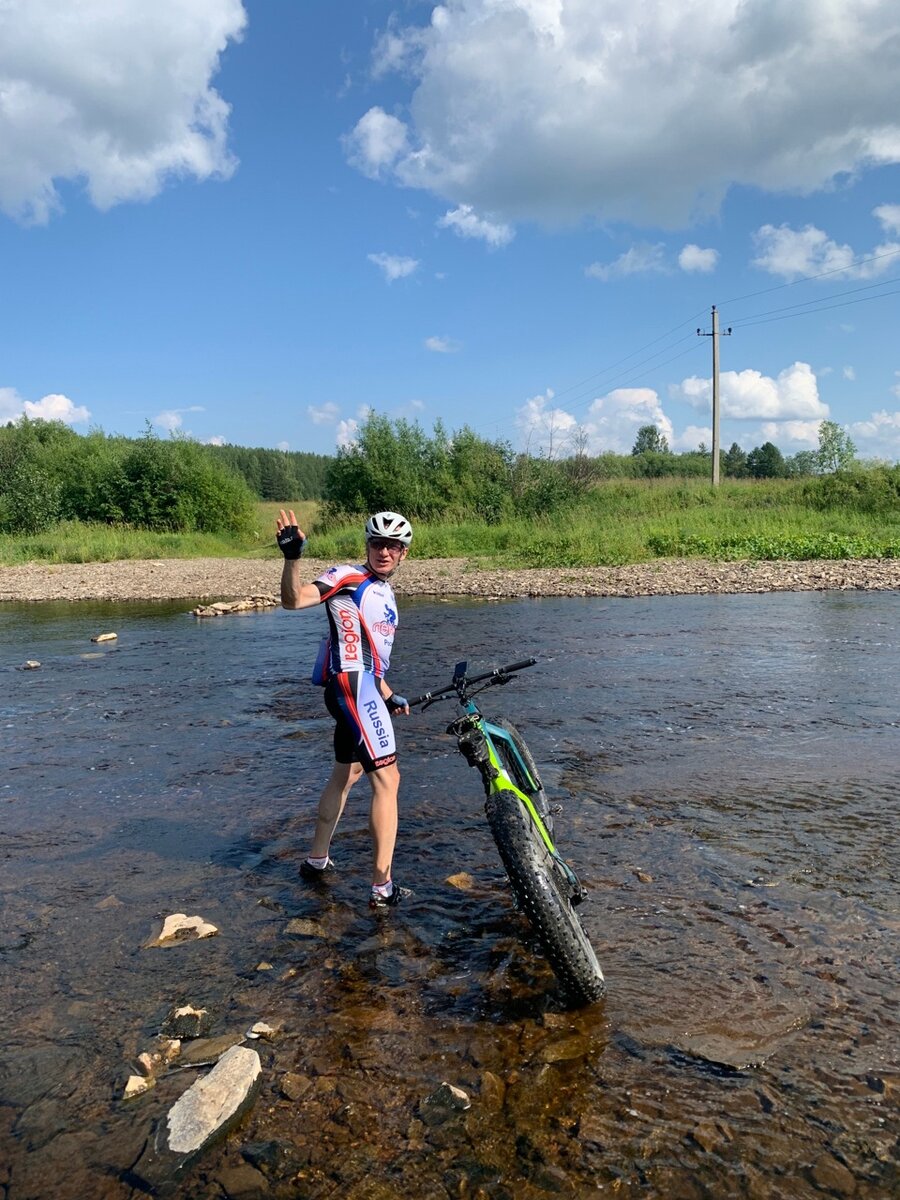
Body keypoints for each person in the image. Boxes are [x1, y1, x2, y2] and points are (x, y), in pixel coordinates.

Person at [276, 507, 413, 909]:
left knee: (349, 772)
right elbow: (293, 600)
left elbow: (372, 654)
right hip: (351, 687)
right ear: (366, 546)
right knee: (389, 781)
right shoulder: (347, 576)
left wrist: (388, 694)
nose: (383, 551)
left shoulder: (386, 592)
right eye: (376, 544)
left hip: (364, 687)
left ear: (403, 553)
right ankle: (382, 889)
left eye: (392, 546)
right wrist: (292, 558)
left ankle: (316, 860)